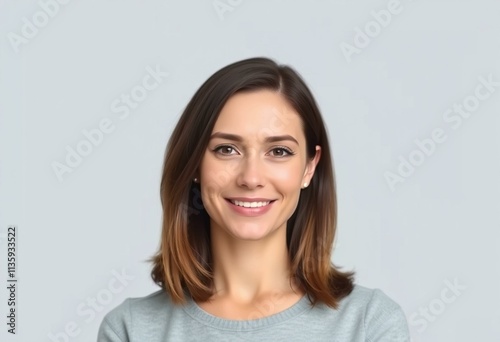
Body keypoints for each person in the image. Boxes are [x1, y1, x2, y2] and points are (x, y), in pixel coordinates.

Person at [97, 57, 410, 341]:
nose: (251, 177)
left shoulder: (369, 324)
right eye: (226, 149)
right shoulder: (130, 330)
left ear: (309, 168)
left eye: (278, 151)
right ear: (194, 164)